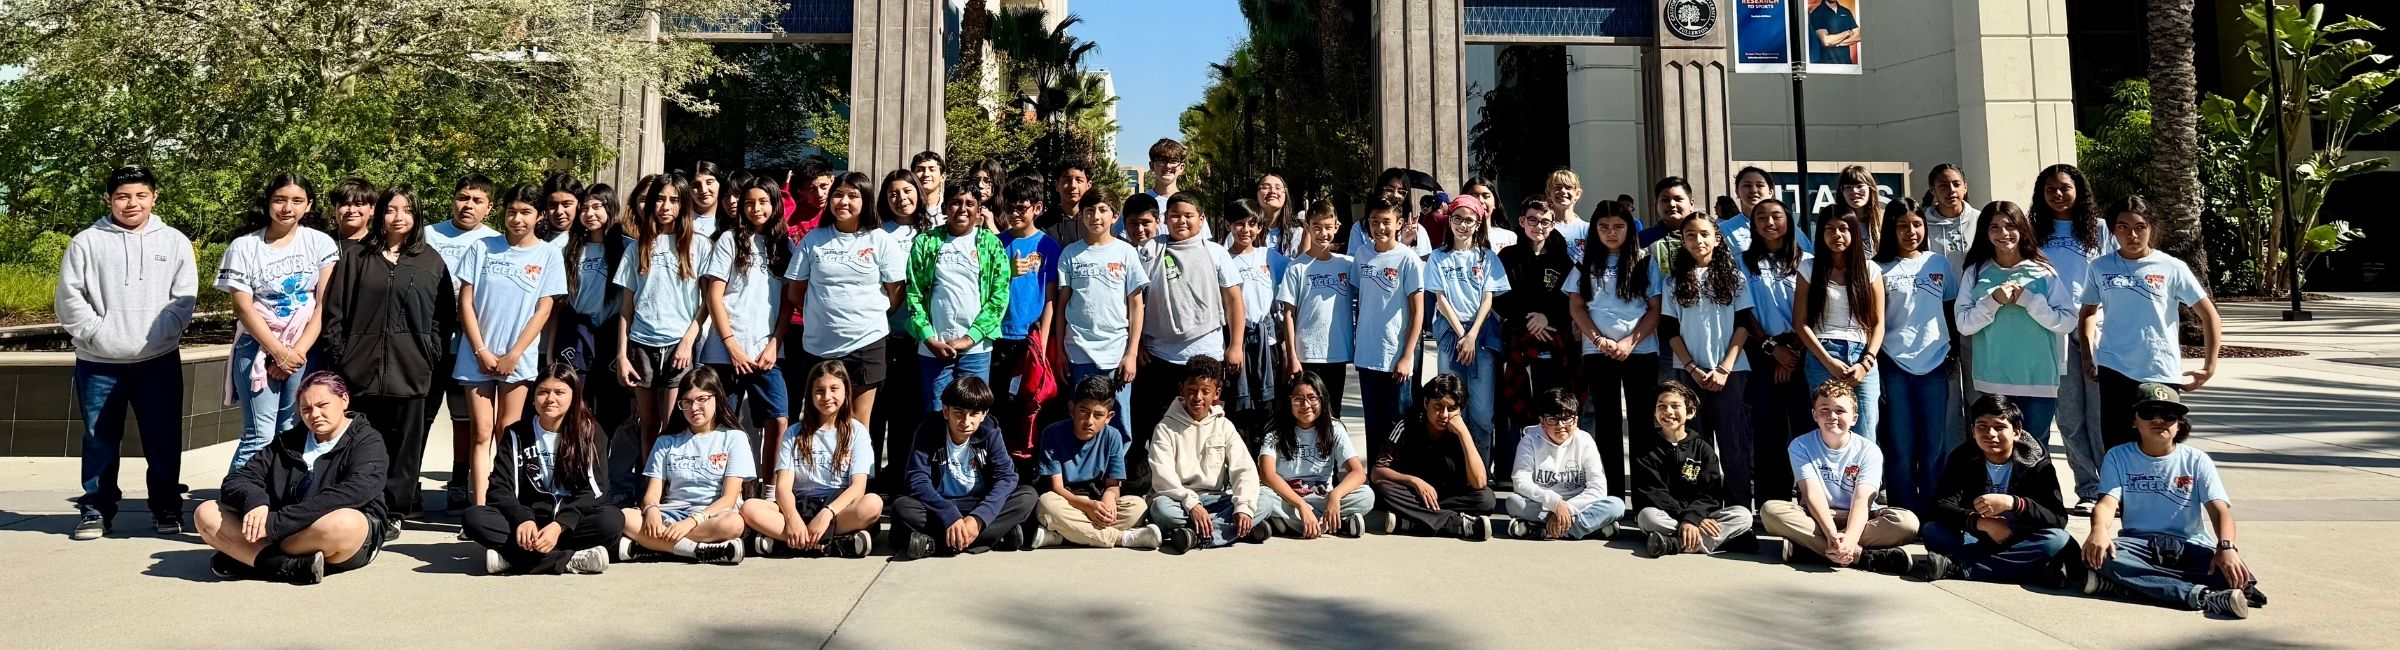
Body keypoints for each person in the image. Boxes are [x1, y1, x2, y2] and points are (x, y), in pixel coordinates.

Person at [60, 165, 200, 540]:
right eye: (123, 196)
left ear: (154, 198)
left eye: (140, 195)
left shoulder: (173, 242)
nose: (131, 203)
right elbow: (70, 299)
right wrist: (96, 334)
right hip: (99, 363)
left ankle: (167, 506)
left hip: (158, 360)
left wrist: (163, 333)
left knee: (164, 438)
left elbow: (183, 297)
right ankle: (96, 510)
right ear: (109, 200)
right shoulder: (86, 242)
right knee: (98, 438)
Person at [324, 184, 456, 539]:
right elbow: (335, 311)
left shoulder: (430, 261)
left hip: (411, 370)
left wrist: (430, 356)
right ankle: (361, 504)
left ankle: (394, 510)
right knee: (363, 441)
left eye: (407, 210)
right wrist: (342, 355)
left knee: (403, 445)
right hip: (360, 369)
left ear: (417, 216)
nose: (399, 218)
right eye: (391, 209)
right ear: (380, 214)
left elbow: (443, 318)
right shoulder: (358, 257)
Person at [2083, 385, 2266, 618]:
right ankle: (2204, 597)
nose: (2158, 419)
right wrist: (2098, 530)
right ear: (2134, 421)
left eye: (2168, 414)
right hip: (2139, 546)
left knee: (2238, 576)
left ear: (2179, 423)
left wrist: (2226, 547)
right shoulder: (2118, 456)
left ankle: (2127, 585)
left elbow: (2219, 510)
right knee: (2100, 557)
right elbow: (2107, 503)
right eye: (2148, 412)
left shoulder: (2197, 460)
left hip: (2191, 547)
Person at [195, 372, 387, 584]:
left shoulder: (367, 440)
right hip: (277, 529)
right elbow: (237, 479)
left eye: (323, 405)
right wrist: (255, 502)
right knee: (206, 513)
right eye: (306, 409)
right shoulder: (288, 442)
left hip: (327, 533)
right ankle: (286, 566)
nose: (314, 414)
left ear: (344, 399)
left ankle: (248, 557)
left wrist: (278, 524)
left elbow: (356, 490)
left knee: (344, 523)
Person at [782, 172, 908, 491]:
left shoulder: (879, 240)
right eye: (839, 195)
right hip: (820, 347)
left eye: (853, 196)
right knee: (820, 421)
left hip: (866, 343)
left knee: (859, 426)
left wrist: (867, 315)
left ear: (865, 201)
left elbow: (896, 292)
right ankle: (820, 488)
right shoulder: (814, 240)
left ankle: (856, 494)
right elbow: (795, 291)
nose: (844, 201)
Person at [453, 186, 569, 507]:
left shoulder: (548, 254)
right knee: (481, 432)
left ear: (539, 216)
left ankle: (505, 503)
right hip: (476, 357)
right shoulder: (482, 248)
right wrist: (480, 350)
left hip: (517, 360)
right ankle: (478, 507)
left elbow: (543, 310)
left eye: (526, 212)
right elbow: (466, 302)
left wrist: (514, 354)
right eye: (512, 211)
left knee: (507, 432)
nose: (517, 219)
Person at [2079, 196, 2221, 454]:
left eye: (2139, 227)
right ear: (2113, 230)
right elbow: (2088, 312)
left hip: (2159, 369)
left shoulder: (2172, 267)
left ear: (2151, 228)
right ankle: (2117, 495)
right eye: (2123, 227)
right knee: (2116, 445)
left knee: (2160, 446)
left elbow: (2209, 315)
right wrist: (2088, 357)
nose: (2132, 234)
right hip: (2114, 369)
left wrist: (2209, 367)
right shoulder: (2100, 267)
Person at [219, 173, 341, 471]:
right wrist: (278, 351)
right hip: (257, 348)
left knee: (291, 430)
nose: (287, 208)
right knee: (259, 435)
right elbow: (243, 307)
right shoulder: (244, 247)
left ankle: (278, 503)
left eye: (297, 201)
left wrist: (294, 353)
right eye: (280, 200)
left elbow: (323, 304)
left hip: (304, 350)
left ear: (308, 206)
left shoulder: (319, 242)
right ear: (268, 203)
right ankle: (235, 502)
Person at [1955, 201, 2076, 495]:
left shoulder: (2044, 272)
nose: (2003, 233)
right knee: (1994, 450)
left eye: (2010, 226)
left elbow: (2067, 320)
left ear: (2022, 229)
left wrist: (2031, 301)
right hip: (1993, 379)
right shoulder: (1976, 272)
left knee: (2035, 448)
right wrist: (1991, 302)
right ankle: (1996, 505)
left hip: (2037, 380)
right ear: (1985, 233)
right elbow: (1963, 323)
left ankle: (2039, 508)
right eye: (1994, 227)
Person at [463, 365, 620, 575]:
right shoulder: (516, 434)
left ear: (574, 396)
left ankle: (513, 558)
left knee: (611, 520)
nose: (550, 399)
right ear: (533, 397)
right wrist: (523, 519)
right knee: (474, 518)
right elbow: (499, 488)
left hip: (567, 525)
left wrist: (560, 525)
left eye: (560, 392)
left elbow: (595, 489)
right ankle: (569, 560)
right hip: (527, 524)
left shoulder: (590, 432)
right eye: (543, 392)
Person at [1916, 394, 2073, 586]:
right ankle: (2028, 568)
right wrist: (1981, 522)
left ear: (2017, 432)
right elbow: (1941, 505)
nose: (1990, 434)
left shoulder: (2036, 460)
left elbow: (2058, 518)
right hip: (1977, 536)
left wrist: (2014, 503)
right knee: (1933, 531)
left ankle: (1957, 567)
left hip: (2021, 538)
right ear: (1973, 431)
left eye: (1999, 427)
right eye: (1982, 426)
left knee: (2057, 540)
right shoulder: (1963, 456)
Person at [1760, 383, 1918, 573]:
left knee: (1908, 523)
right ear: (1814, 415)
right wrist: (1832, 533)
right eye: (1824, 409)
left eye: (1840, 411)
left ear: (1854, 418)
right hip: (1816, 517)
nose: (1832, 416)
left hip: (1860, 518)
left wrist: (1850, 537)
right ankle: (1863, 557)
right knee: (1770, 511)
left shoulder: (1869, 450)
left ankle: (1809, 549)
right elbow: (1812, 494)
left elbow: (1862, 500)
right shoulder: (1800, 445)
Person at [1131, 194, 1247, 453]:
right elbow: (1134, 301)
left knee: (1206, 424)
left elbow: (1234, 301)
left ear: (1201, 219)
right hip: (1159, 354)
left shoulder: (1215, 252)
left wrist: (1235, 344)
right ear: (1164, 220)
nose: (1181, 221)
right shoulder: (1150, 251)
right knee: (1156, 423)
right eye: (1174, 216)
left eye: (1188, 215)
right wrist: (1136, 344)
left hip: (1206, 351)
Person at [2031, 164, 2115, 515]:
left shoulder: (2098, 230)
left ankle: (2111, 487)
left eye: (2065, 187)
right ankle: (2088, 488)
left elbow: (2111, 274)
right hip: (2054, 330)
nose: (2058, 194)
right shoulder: (2035, 232)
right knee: (2069, 417)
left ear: (2078, 190)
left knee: (2099, 414)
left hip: (2095, 329)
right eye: (2050, 189)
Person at [1661, 214, 1760, 506]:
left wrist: (1725, 367)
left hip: (1730, 372)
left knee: (1734, 443)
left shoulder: (1735, 277)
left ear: (1717, 238)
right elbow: (1669, 329)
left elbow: (1743, 324)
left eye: (1704, 234)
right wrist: (1691, 367)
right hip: (1689, 373)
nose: (1698, 241)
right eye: (1690, 235)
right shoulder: (1674, 281)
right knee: (1693, 442)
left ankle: (1739, 507)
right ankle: (1698, 505)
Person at [740, 361, 885, 559]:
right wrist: (792, 519)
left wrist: (827, 514)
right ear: (809, 394)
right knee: (749, 508)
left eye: (834, 389)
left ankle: (787, 543)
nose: (827, 397)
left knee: (872, 504)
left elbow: (857, 488)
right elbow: (783, 487)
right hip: (799, 504)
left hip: (837, 507)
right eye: (819, 391)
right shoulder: (794, 433)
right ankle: (833, 543)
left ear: (845, 391)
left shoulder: (857, 431)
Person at [615, 175, 713, 462]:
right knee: (648, 425)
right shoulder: (637, 247)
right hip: (641, 344)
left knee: (674, 424)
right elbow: (626, 308)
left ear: (684, 204)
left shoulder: (699, 245)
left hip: (678, 344)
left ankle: (668, 489)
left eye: (673, 200)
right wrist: (621, 355)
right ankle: (648, 490)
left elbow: (707, 302)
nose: (665, 206)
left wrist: (687, 341)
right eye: (659, 199)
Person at [1566, 199, 1659, 502]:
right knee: (1606, 424)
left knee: (1643, 424)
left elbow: (1655, 309)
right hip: (1598, 353)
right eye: (1604, 227)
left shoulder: (1645, 260)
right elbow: (1576, 306)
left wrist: (1630, 342)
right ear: (1594, 229)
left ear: (1629, 228)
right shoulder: (1584, 261)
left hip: (1641, 351)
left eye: (1618, 226)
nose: (1611, 232)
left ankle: (1645, 498)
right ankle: (1611, 498)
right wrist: (1598, 340)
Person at [893, 377, 1040, 559]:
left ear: (984, 415)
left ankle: (935, 543)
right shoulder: (928, 429)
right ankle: (994, 537)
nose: (966, 421)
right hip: (941, 505)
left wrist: (978, 518)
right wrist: (949, 514)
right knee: (903, 507)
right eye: (959, 413)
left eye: (974, 414)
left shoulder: (990, 432)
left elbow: (1007, 477)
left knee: (1027, 496)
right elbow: (917, 479)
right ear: (946, 411)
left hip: (978, 503)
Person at [1875, 198, 1960, 513]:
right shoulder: (1877, 267)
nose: (1910, 231)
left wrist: (1952, 351)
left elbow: (1950, 307)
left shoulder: (1937, 263)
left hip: (1935, 363)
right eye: (1901, 226)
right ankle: (1903, 512)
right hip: (1893, 363)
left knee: (1934, 446)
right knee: (1900, 445)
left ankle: (1933, 512)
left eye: (1916, 224)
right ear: (1890, 230)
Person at [703, 176, 790, 480]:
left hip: (766, 351)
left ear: (775, 204)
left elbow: (788, 304)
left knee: (778, 420)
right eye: (749, 202)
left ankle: (768, 489)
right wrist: (731, 346)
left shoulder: (783, 245)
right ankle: (729, 492)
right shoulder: (729, 239)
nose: (755, 208)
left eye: (763, 201)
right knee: (723, 426)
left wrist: (774, 344)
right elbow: (714, 294)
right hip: (724, 351)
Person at [618, 367, 752, 564]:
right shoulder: (666, 441)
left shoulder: (734, 438)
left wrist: (691, 522)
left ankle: (653, 546)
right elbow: (652, 494)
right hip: (671, 512)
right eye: (687, 402)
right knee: (625, 516)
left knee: (734, 524)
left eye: (702, 399)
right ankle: (699, 551)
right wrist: (653, 510)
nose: (694, 407)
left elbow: (729, 499)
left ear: (717, 397)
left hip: (711, 514)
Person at [1145, 356, 1266, 554]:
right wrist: (1192, 504)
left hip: (1216, 500)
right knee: (1161, 511)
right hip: (1178, 500)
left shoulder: (1224, 425)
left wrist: (1243, 507)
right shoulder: (1165, 428)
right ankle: (1239, 530)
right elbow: (1162, 477)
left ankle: (1194, 537)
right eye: (1191, 391)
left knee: (1265, 498)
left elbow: (1244, 469)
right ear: (1181, 389)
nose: (1197, 397)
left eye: (1205, 391)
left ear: (1216, 394)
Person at [1028, 376, 1164, 550]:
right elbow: (1057, 487)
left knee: (1137, 507)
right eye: (1084, 411)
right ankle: (1123, 538)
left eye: (1098, 415)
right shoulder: (1053, 433)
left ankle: (1062, 537)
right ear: (1072, 409)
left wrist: (1107, 502)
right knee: (1046, 504)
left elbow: (1113, 486)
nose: (1089, 421)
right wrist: (1087, 506)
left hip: (1096, 500)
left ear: (1109, 416)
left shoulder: (1113, 436)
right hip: (1068, 500)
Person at [429, 176, 499, 511]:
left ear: (489, 207)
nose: (468, 205)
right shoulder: (429, 234)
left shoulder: (495, 242)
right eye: (462, 197)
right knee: (421, 418)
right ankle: (406, 484)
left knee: (465, 421)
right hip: (427, 341)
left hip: (468, 344)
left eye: (477, 200)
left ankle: (459, 481)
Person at [908, 182, 1010, 411]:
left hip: (976, 349)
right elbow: (913, 293)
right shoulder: (926, 242)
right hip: (934, 348)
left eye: (970, 204)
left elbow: (999, 297)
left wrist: (970, 338)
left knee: (973, 414)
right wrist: (928, 337)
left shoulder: (991, 245)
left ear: (979, 210)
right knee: (936, 413)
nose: (962, 209)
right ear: (945, 208)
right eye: (956, 203)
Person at [1426, 195, 1511, 469]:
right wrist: (1462, 334)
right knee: (1449, 404)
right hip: (1452, 334)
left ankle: (1481, 471)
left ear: (1478, 223)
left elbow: (1489, 299)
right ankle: (1454, 470)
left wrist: (1472, 335)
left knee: (1483, 412)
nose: (1463, 225)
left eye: (1469, 220)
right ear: (1449, 220)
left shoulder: (1487, 258)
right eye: (1457, 219)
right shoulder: (1438, 258)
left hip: (1482, 335)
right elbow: (1440, 298)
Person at [1496, 197, 1578, 473]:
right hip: (1517, 341)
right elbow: (1499, 296)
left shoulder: (1562, 259)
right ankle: (1510, 469)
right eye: (1532, 220)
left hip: (1552, 342)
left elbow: (1569, 299)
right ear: (1522, 221)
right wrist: (1527, 320)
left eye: (1545, 221)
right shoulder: (1507, 257)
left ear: (1553, 224)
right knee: (1513, 405)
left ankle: (1550, 468)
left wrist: (1547, 318)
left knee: (1551, 403)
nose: (1538, 226)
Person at [1055, 199, 1147, 439]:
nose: (1096, 216)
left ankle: (1114, 473)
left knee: (1119, 420)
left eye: (1103, 210)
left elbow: (1136, 306)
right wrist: (1060, 351)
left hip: (1116, 354)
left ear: (1114, 216)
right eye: (1090, 210)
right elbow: (1061, 306)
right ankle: (1082, 472)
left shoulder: (1126, 251)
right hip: (1078, 352)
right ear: (1081, 216)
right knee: (1081, 419)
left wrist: (1132, 353)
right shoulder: (1070, 253)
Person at [1740, 198, 1812, 499]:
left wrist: (1792, 351)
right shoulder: (1742, 261)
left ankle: (1812, 498)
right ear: (1754, 225)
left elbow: (1813, 309)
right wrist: (1772, 349)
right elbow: (1741, 311)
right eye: (1762, 218)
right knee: (1768, 429)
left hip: (1802, 350)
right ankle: (1773, 501)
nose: (1769, 223)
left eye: (1776, 216)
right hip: (1761, 349)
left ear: (1788, 220)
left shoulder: (1806, 260)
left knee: (1806, 425)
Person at [1368, 374, 1498, 540]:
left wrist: (1464, 433)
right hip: (1414, 494)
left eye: (1451, 409)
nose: (1444, 415)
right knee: (1383, 490)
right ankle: (1457, 524)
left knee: (1486, 499)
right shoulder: (1407, 426)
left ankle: (1413, 522)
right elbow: (1377, 472)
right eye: (1438, 406)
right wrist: (1414, 482)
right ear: (1425, 403)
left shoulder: (1462, 433)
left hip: (1446, 498)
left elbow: (1479, 482)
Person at [1792, 209, 1884, 438]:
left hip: (1862, 356)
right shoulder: (1809, 269)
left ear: (1853, 232)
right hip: (1823, 353)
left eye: (1843, 229)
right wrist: (1828, 361)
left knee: (1866, 431)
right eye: (1830, 229)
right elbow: (1800, 322)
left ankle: (1865, 476)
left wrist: (1866, 362)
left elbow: (1878, 323)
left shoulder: (1870, 270)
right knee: (1828, 430)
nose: (1837, 235)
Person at [1634, 381, 1753, 556]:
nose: (1668, 412)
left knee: (1743, 515)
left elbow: (1711, 494)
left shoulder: (1703, 449)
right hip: (1668, 516)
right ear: (1654, 412)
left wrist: (1694, 518)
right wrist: (1687, 519)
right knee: (1647, 517)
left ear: (1690, 412)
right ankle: (1724, 541)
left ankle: (1673, 544)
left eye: (1675, 406)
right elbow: (1653, 493)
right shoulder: (1645, 448)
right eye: (1662, 406)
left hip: (1699, 516)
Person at [1255, 371, 1374, 539]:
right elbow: (1267, 475)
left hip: (1321, 498)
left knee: (1366, 496)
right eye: (1298, 399)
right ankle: (1334, 523)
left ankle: (1288, 524)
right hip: (1286, 498)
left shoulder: (1335, 429)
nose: (1305, 405)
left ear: (1322, 399)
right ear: (1289, 401)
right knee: (1263, 497)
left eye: (1312, 398)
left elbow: (1358, 473)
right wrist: (1301, 505)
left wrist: (1335, 495)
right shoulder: (1275, 431)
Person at [1351, 197, 1425, 462]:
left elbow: (1418, 312)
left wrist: (1407, 356)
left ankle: (1399, 479)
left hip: (1395, 357)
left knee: (1398, 424)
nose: (1380, 228)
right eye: (1374, 222)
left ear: (1399, 223)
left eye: (1386, 222)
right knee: (1374, 422)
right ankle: (1376, 481)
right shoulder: (1361, 255)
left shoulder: (1408, 260)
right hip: (1367, 356)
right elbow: (1359, 300)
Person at [1505, 389, 1627, 540]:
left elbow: (1598, 488)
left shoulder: (1585, 441)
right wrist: (1555, 503)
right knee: (1514, 503)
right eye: (1553, 419)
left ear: (1575, 421)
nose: (1560, 425)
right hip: (1544, 504)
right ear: (1542, 422)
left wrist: (1566, 509)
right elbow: (1520, 481)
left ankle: (1546, 531)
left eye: (1567, 419)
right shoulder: (1529, 440)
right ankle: (1587, 529)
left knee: (1616, 506)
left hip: (1579, 504)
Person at [994, 177, 1062, 448]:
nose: (1014, 214)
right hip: (998, 337)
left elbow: (1051, 298)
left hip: (1031, 341)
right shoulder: (995, 243)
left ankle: (1028, 465)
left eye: (1021, 208)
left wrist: (1043, 341)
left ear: (1037, 208)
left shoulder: (1048, 246)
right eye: (1009, 208)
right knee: (998, 403)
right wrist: (1006, 272)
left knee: (1031, 404)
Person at [873, 170, 930, 488]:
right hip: (882, 333)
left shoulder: (932, 232)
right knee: (878, 409)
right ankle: (871, 477)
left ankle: (901, 474)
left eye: (907, 191)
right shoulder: (877, 231)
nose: (901, 198)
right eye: (893, 193)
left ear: (919, 194)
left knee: (909, 412)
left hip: (919, 336)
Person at [1276, 201, 1355, 412]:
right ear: (1307, 227)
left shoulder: (1347, 265)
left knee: (1332, 414)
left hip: (1337, 353)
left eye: (1328, 227)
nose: (1323, 233)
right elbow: (1288, 315)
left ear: (1337, 226)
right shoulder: (1296, 268)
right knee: (1307, 413)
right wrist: (1292, 356)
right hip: (1307, 355)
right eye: (1317, 226)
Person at [1222, 200, 1289, 435]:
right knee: (1238, 405)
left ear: (1260, 227)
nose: (1246, 230)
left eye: (1252, 224)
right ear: (1228, 225)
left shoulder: (1269, 256)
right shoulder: (1221, 258)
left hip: (1267, 340)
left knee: (1268, 404)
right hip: (1234, 341)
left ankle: (1266, 460)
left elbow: (1300, 269)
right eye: (1239, 224)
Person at [1922, 164, 1981, 256]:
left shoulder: (1980, 219)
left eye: (1956, 184)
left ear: (1965, 188)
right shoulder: (1922, 224)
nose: (1951, 190)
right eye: (1943, 185)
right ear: (1932, 190)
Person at [1825, 166, 1884, 255]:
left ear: (1870, 188)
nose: (1854, 191)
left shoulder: (1884, 221)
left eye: (1860, 186)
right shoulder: (1835, 222)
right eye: (1848, 187)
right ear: (1842, 192)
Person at [1639, 177, 1697, 254]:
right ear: (1656, 205)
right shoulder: (1642, 239)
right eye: (1665, 200)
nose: (1672, 204)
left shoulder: (1705, 236)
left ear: (1691, 204)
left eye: (1678, 199)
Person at [1544, 169, 1591, 263]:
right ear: (1549, 193)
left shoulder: (1588, 229)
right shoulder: (1543, 228)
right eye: (1557, 187)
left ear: (1577, 194)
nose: (1563, 191)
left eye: (1568, 187)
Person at [1459, 176, 1518, 251]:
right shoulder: (1458, 238)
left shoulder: (1508, 237)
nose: (1480, 201)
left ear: (1495, 203)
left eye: (1486, 196)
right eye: (1474, 197)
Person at [1809, 0, 1860, 65]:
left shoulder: (1846, 12)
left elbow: (1858, 36)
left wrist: (1837, 43)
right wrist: (1847, 33)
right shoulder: (1817, 13)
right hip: (1827, 65)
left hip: (1847, 65)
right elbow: (1826, 41)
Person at [685, 160, 724, 238]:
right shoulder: (681, 217)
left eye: (709, 182)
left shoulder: (728, 218)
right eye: (696, 185)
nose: (703, 190)